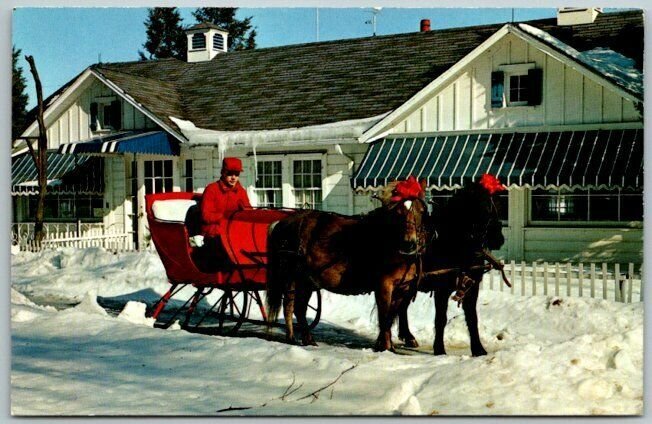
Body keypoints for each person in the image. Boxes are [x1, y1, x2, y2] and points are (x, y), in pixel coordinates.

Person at [197, 157, 251, 270]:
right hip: (213, 233)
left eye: (236, 174)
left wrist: (245, 213)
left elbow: (248, 214)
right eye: (230, 173)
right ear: (223, 172)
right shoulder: (212, 189)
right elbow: (205, 216)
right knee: (224, 250)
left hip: (232, 233)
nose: (233, 177)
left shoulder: (241, 192)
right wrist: (226, 218)